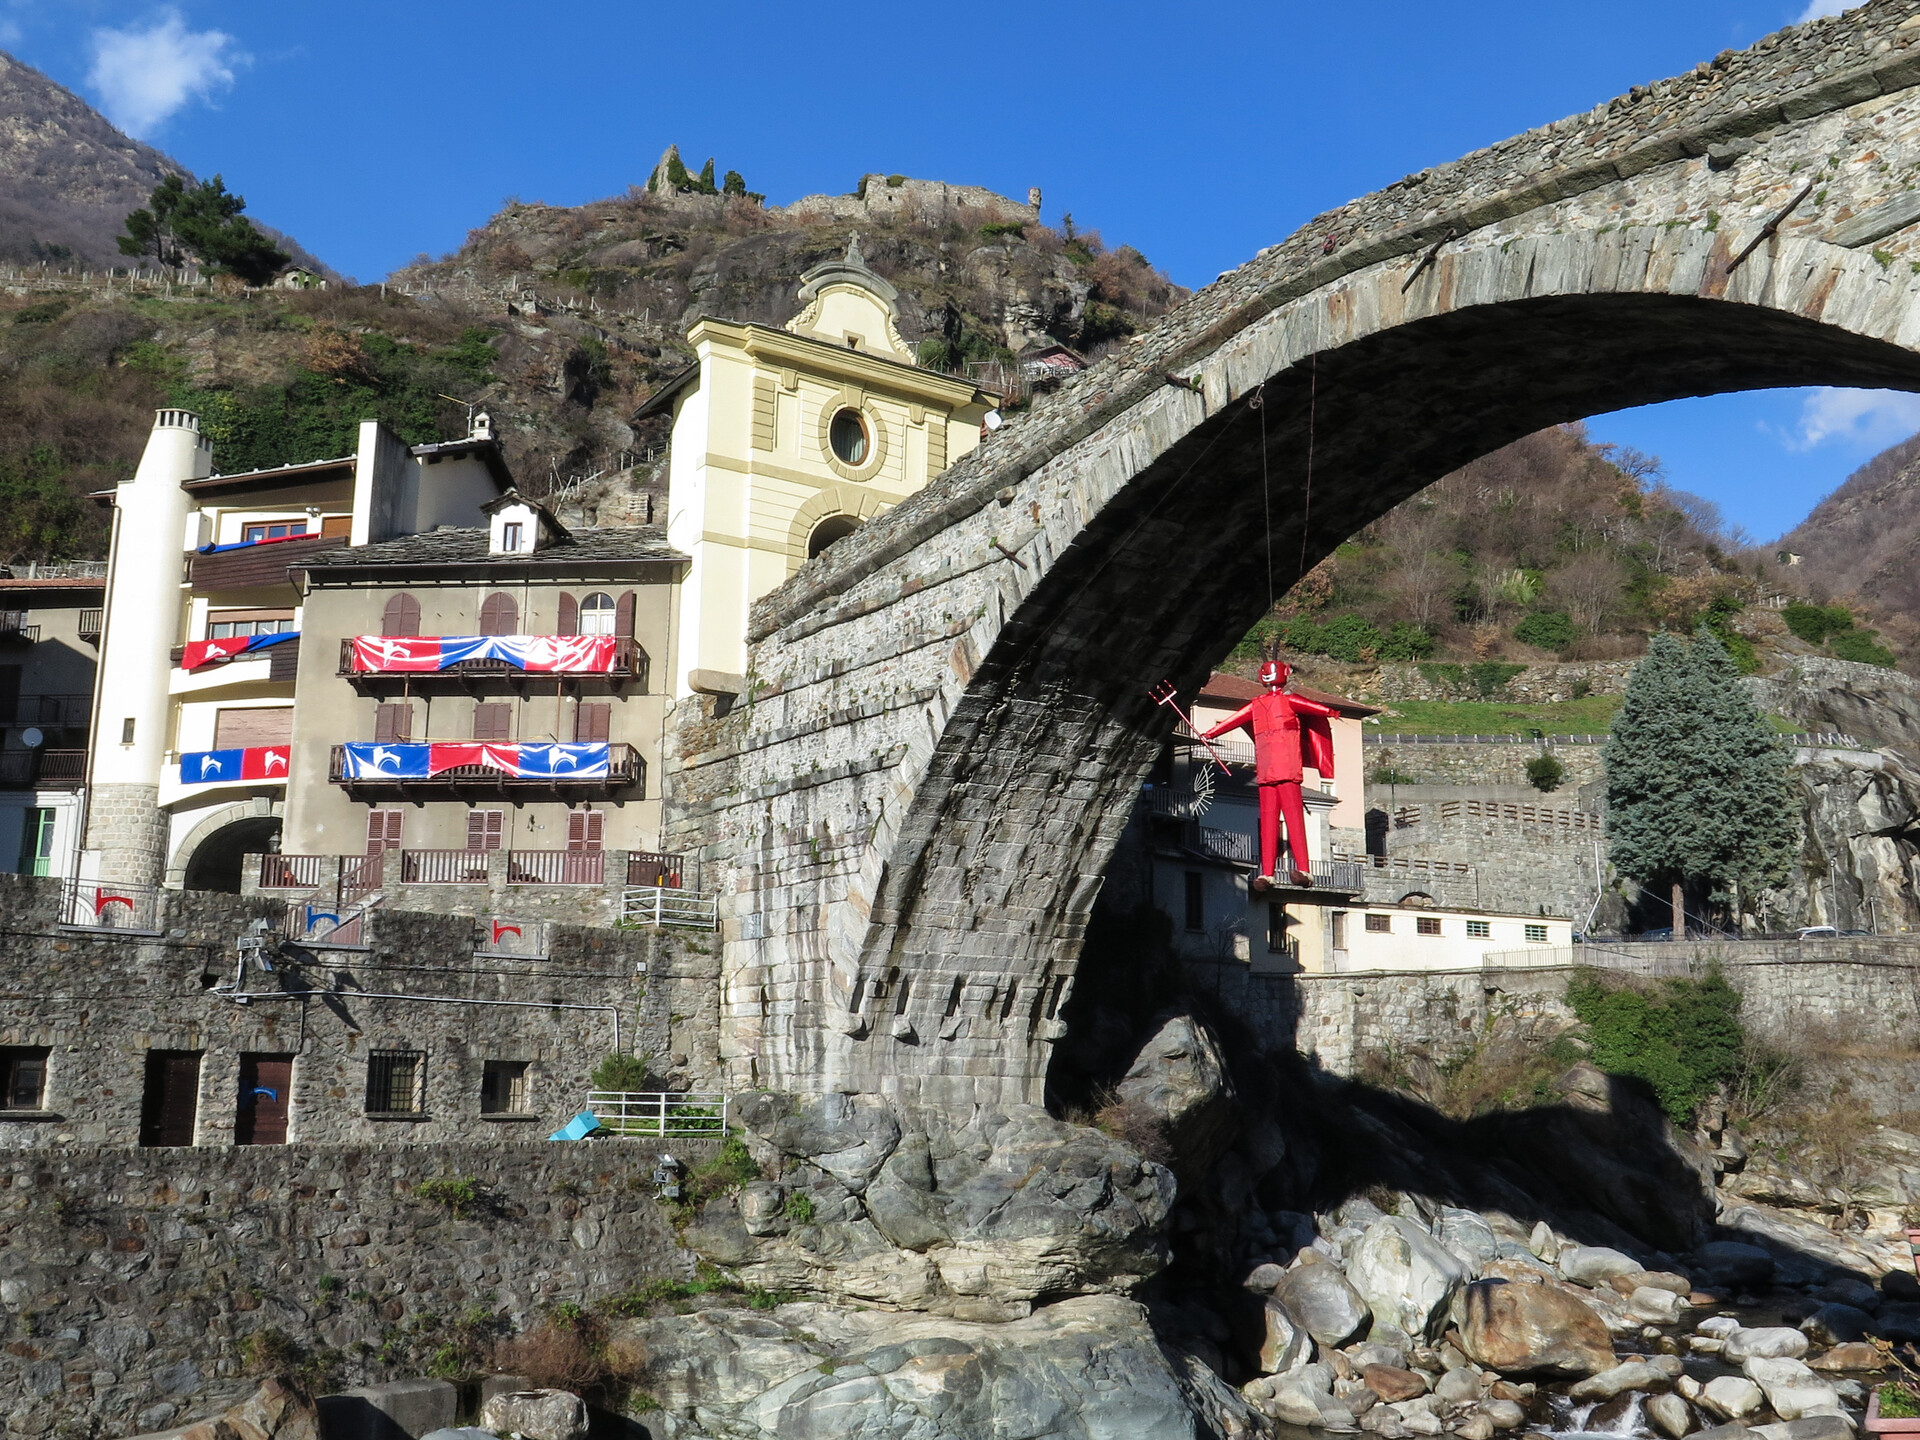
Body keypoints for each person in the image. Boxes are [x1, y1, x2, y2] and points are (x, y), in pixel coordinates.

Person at [1200, 658, 1340, 890]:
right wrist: (1212, 733)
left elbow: (1313, 708)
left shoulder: (1278, 702)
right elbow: (1233, 720)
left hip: (1283, 769)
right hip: (1268, 771)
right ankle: (1268, 872)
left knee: (1284, 821)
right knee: (1272, 822)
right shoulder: (1261, 704)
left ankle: (1299, 869)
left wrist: (1330, 711)